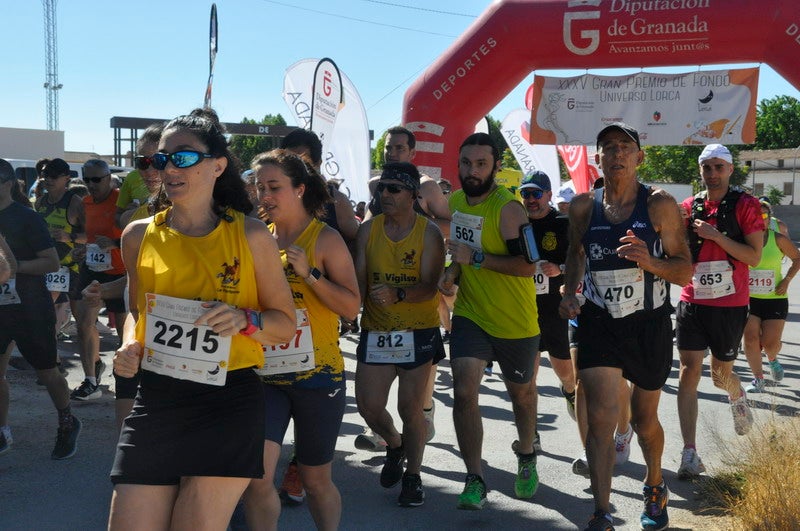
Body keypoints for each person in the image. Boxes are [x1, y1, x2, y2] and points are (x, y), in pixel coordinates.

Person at [108, 109, 295, 530]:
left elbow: (283, 324)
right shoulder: (138, 235)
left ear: (218, 165)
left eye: (184, 157)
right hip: (158, 395)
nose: (169, 167)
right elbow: (137, 311)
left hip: (227, 399)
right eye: (161, 158)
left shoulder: (250, 235)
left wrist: (244, 319)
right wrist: (128, 344)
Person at [559, 123, 692, 531]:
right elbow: (575, 255)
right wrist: (568, 292)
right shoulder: (583, 206)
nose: (616, 153)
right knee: (599, 417)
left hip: (648, 325)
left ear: (639, 157)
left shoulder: (660, 206)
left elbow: (685, 270)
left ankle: (654, 484)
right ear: (597, 158)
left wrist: (649, 262)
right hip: (599, 322)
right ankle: (602, 511)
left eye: (624, 146)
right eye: (607, 147)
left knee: (642, 419)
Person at [241, 149, 359, 530]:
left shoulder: (324, 240)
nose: (265, 196)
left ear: (300, 189)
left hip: (317, 377)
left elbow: (352, 308)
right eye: (260, 188)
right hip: (266, 376)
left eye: (274, 187)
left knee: (315, 480)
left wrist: (309, 274)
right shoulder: (256, 237)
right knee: (256, 478)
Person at [442, 133, 539, 509]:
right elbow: (461, 255)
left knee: (522, 397)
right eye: (466, 163)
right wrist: (453, 272)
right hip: (471, 314)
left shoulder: (509, 208)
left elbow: (528, 267)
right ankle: (475, 477)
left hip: (515, 320)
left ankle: (527, 453)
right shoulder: (455, 203)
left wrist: (474, 260)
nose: (472, 171)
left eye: (481, 164)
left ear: (496, 167)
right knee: (464, 391)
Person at [354, 161, 446, 507]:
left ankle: (414, 476)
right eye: (382, 188)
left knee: (411, 408)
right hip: (377, 330)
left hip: (417, 330)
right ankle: (395, 445)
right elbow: (360, 281)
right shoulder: (369, 230)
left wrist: (399, 294)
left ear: (413, 194)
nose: (385, 194)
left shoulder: (429, 233)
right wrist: (352, 308)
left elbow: (430, 287)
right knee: (369, 407)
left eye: (394, 188)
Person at [358, 125, 453, 452]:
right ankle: (383, 435)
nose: (393, 153)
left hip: (420, 284)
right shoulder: (376, 186)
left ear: (412, 153)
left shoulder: (426, 186)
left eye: (399, 148)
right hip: (381, 294)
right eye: (388, 149)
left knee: (413, 401)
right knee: (373, 398)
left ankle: (425, 410)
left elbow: (450, 226)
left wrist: (417, 215)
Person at [676, 143, 764, 480]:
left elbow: (754, 257)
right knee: (688, 371)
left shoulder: (746, 205)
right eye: (706, 168)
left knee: (720, 377)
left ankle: (737, 393)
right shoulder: (688, 206)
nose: (712, 174)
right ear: (700, 170)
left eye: (718, 167)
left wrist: (716, 236)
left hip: (729, 304)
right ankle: (689, 452)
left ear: (729, 169)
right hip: (692, 300)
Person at [0, 158, 82, 459]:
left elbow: (51, 262)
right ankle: (2, 431)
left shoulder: (26, 218)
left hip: (29, 307)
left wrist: (11, 267)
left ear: (8, 184)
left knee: (47, 372)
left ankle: (67, 420)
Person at [69, 160, 128, 401]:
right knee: (84, 324)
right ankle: (91, 380)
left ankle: (126, 378)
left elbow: (141, 237)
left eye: (97, 179)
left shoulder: (122, 201)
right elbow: (89, 236)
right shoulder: (86, 203)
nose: (92, 185)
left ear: (108, 178)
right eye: (87, 179)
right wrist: (81, 248)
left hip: (120, 272)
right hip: (92, 269)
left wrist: (115, 244)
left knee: (125, 333)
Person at [742, 198, 799, 392]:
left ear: (769, 219)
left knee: (769, 343)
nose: (760, 219)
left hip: (775, 298)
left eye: (764, 216)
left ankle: (773, 359)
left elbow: (797, 259)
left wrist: (786, 280)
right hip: (749, 299)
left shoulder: (778, 239)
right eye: (755, 216)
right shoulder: (742, 239)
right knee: (749, 339)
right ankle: (758, 379)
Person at [34, 158, 86, 343]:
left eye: (54, 176)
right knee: (46, 315)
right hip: (50, 267)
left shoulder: (75, 203)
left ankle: (93, 360)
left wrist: (68, 237)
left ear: (66, 178)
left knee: (83, 322)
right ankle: (52, 360)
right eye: (45, 175)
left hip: (73, 268)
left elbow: (92, 236)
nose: (48, 179)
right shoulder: (40, 203)